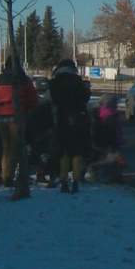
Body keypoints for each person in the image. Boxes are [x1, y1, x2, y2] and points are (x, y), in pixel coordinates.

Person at [0, 60, 39, 188]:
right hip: (17, 115)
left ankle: (5, 174)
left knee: (6, 147)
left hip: (1, 116)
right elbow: (33, 99)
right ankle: (9, 176)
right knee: (16, 147)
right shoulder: (23, 80)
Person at [49, 58, 91, 193]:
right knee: (77, 151)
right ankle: (76, 180)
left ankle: (63, 179)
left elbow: (51, 100)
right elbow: (85, 98)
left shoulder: (55, 82)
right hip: (78, 119)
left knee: (64, 152)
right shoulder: (78, 82)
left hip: (61, 119)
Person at [90, 95, 125, 183]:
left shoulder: (99, 113)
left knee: (107, 159)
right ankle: (112, 176)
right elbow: (114, 130)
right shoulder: (112, 115)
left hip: (103, 141)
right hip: (110, 141)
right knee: (111, 160)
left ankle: (98, 174)